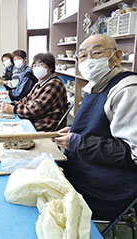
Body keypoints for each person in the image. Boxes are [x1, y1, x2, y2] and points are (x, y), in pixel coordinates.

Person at [54, 34, 137, 221]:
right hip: (84, 167)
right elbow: (101, 127)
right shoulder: (96, 84)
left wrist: (78, 141)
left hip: (107, 186)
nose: (89, 60)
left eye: (97, 53)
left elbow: (131, 153)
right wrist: (75, 132)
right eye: (82, 56)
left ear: (116, 57)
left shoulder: (128, 89)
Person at [0, 53, 67, 131]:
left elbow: (35, 110)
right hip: (36, 119)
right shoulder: (39, 83)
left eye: (41, 65)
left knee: (9, 129)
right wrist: (10, 104)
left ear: (50, 68)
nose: (37, 68)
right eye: (35, 65)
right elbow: (25, 100)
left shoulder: (54, 84)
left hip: (46, 124)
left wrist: (14, 109)